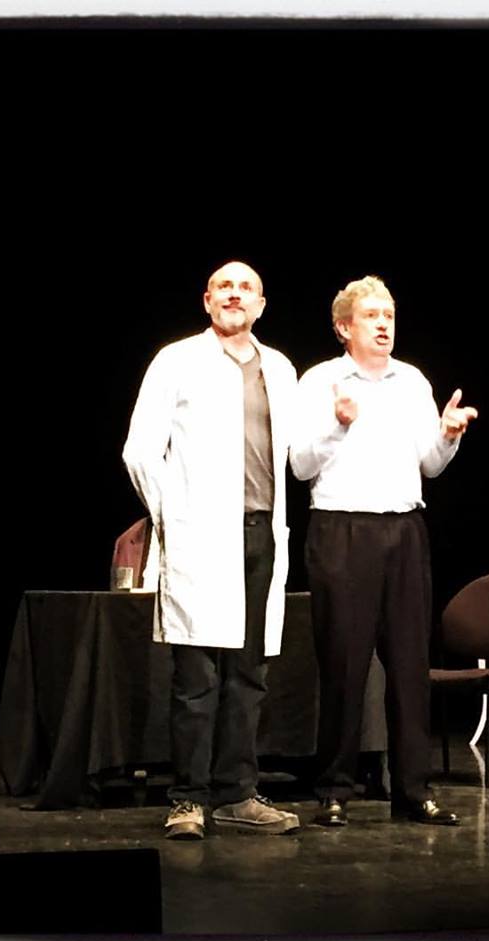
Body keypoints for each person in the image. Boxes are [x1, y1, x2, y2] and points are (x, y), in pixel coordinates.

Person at [290, 275, 477, 828]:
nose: (383, 325)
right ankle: (334, 789)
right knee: (344, 665)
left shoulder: (412, 381)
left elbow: (430, 465)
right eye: (371, 316)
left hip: (404, 530)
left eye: (389, 315)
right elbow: (299, 464)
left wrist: (448, 434)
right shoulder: (320, 380)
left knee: (410, 666)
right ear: (344, 327)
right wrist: (337, 424)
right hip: (342, 530)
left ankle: (413, 791)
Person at [123, 261, 299, 840]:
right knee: (196, 676)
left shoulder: (279, 368)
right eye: (225, 286)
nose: (235, 294)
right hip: (199, 535)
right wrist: (173, 516)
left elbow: (298, 453)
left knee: (249, 673)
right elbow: (141, 450)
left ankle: (237, 794)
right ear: (207, 300)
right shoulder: (176, 360)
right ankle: (188, 799)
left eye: (246, 288)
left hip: (261, 532)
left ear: (261, 305)